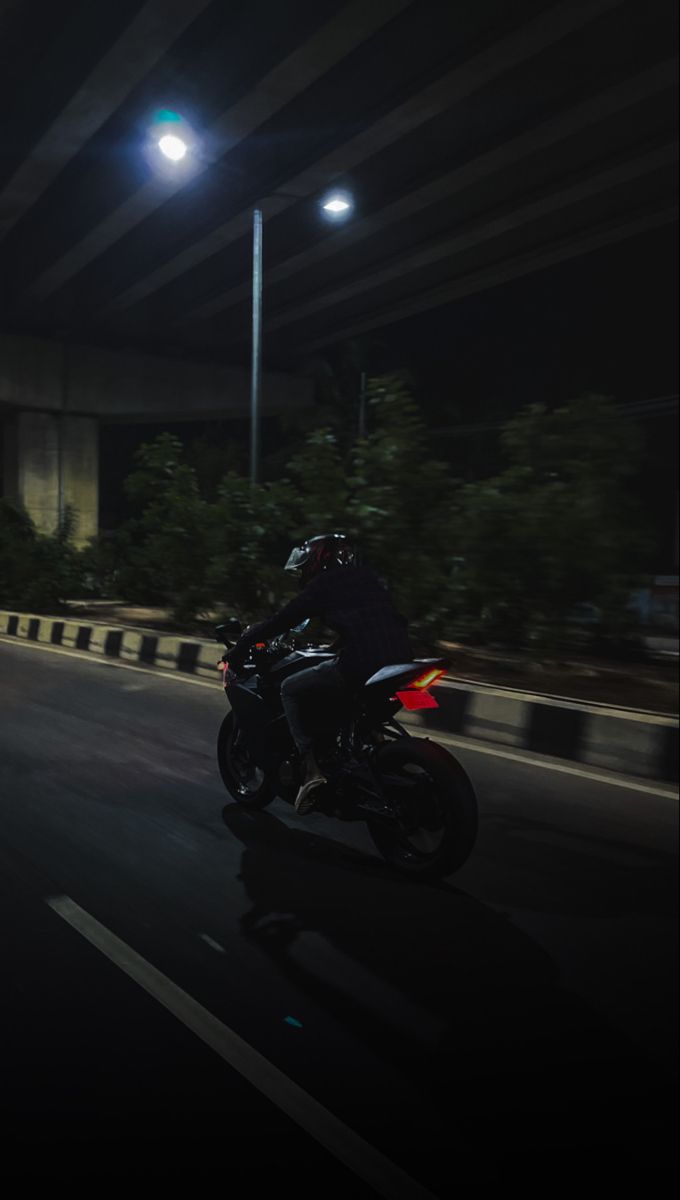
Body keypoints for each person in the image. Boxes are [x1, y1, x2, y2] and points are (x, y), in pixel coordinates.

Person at [227, 533, 414, 815]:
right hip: (402, 659)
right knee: (354, 707)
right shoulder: (367, 578)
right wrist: (335, 647)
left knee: (290, 688)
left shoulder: (323, 585)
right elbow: (369, 622)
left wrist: (242, 645)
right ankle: (376, 749)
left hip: (364, 662)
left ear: (317, 560)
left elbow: (282, 620)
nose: (302, 574)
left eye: (304, 567)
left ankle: (312, 770)